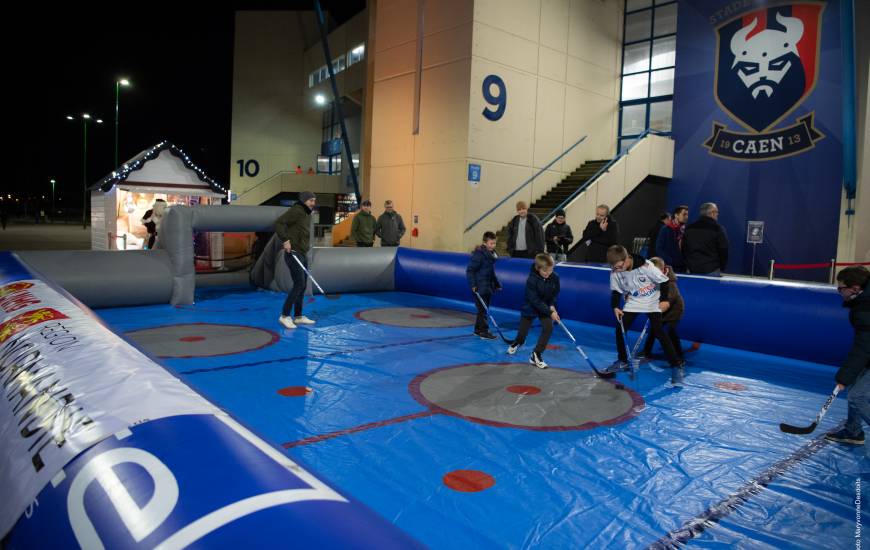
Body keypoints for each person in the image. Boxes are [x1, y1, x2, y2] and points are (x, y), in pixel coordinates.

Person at [608, 245, 685, 384]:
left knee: (659, 331)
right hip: (634, 301)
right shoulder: (615, 271)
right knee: (620, 328)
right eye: (615, 267)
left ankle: (676, 366)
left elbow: (665, 280)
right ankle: (623, 360)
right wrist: (615, 306)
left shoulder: (646, 266)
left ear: (627, 259)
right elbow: (616, 291)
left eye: (620, 266)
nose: (618, 270)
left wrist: (664, 300)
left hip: (652, 300)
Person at [824, 266, 870, 447]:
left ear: (855, 288)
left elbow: (864, 346)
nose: (838, 291)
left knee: (857, 397)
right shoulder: (863, 303)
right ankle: (853, 432)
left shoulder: (865, 310)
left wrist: (844, 377)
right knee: (856, 390)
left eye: (841, 288)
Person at [507, 253, 561, 369]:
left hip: (545, 308)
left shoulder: (555, 277)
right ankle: (517, 342)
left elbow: (554, 294)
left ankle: (536, 354)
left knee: (549, 327)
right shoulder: (531, 280)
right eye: (545, 271)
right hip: (531, 307)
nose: (548, 273)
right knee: (522, 336)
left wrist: (551, 306)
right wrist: (550, 312)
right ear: (538, 268)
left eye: (551, 270)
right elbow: (535, 300)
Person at [274, 191, 317, 329]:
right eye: (310, 200)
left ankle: (298, 317)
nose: (313, 203)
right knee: (299, 284)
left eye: (314, 200)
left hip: (302, 253)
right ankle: (284, 316)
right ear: (304, 200)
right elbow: (279, 223)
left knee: (303, 285)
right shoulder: (297, 210)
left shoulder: (306, 213)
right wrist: (285, 240)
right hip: (293, 253)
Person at [638, 257, 685, 362]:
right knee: (653, 331)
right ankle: (646, 351)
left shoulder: (670, 283)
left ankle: (679, 355)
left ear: (663, 270)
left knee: (671, 331)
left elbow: (668, 301)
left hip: (674, 312)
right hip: (659, 310)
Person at [466, 231, 502, 340]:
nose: (493, 246)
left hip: (487, 286)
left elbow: (491, 272)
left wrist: (496, 284)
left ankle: (478, 330)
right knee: (483, 310)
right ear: (485, 243)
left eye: (494, 243)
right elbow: (470, 270)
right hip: (479, 287)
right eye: (491, 243)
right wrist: (473, 285)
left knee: (483, 310)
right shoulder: (479, 255)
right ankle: (484, 331)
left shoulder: (490, 256)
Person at [684, 202, 729, 276]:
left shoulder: (689, 228)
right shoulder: (718, 229)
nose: (718, 214)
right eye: (717, 212)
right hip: (711, 270)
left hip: (692, 269)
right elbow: (723, 249)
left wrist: (689, 264)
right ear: (712, 213)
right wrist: (722, 267)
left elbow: (684, 249)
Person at [656, 205, 689, 273]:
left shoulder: (685, 230)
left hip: (682, 268)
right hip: (670, 268)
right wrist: (670, 261)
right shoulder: (665, 229)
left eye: (687, 215)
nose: (686, 217)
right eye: (684, 214)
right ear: (676, 215)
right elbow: (659, 248)